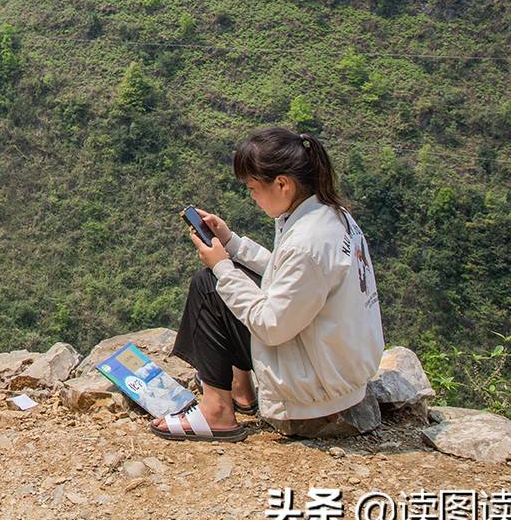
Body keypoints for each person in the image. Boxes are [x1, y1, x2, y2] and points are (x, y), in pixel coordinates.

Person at [152, 127, 384, 442]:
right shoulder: (330, 216)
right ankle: (243, 393)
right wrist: (231, 244)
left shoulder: (307, 243)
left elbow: (271, 325)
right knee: (228, 276)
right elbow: (283, 272)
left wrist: (220, 264)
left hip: (317, 389)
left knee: (209, 284)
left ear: (282, 184)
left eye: (252, 188)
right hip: (336, 363)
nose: (251, 196)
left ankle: (216, 411)